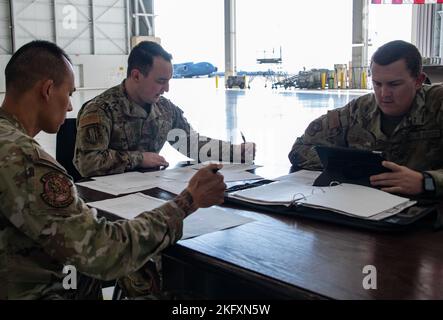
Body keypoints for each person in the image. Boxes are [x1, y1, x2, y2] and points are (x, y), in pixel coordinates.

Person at [0, 40, 226, 299]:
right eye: (70, 94)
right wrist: (188, 201)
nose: (71, 106)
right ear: (48, 90)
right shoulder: (26, 160)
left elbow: (191, 141)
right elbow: (104, 251)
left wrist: (234, 153)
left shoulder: (9, 141)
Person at [73, 41, 256, 178]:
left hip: (150, 194)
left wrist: (235, 152)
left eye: (168, 81)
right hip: (105, 204)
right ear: (136, 75)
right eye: (160, 81)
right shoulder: (100, 110)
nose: (166, 89)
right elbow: (88, 163)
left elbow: (191, 143)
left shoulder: (165, 109)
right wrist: (139, 159)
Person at [288, 40, 443, 197]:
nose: (384, 94)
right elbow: (299, 149)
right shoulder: (358, 110)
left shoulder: (438, 104)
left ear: (418, 81)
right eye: (377, 84)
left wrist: (427, 181)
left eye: (394, 84)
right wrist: (346, 164)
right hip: (365, 206)